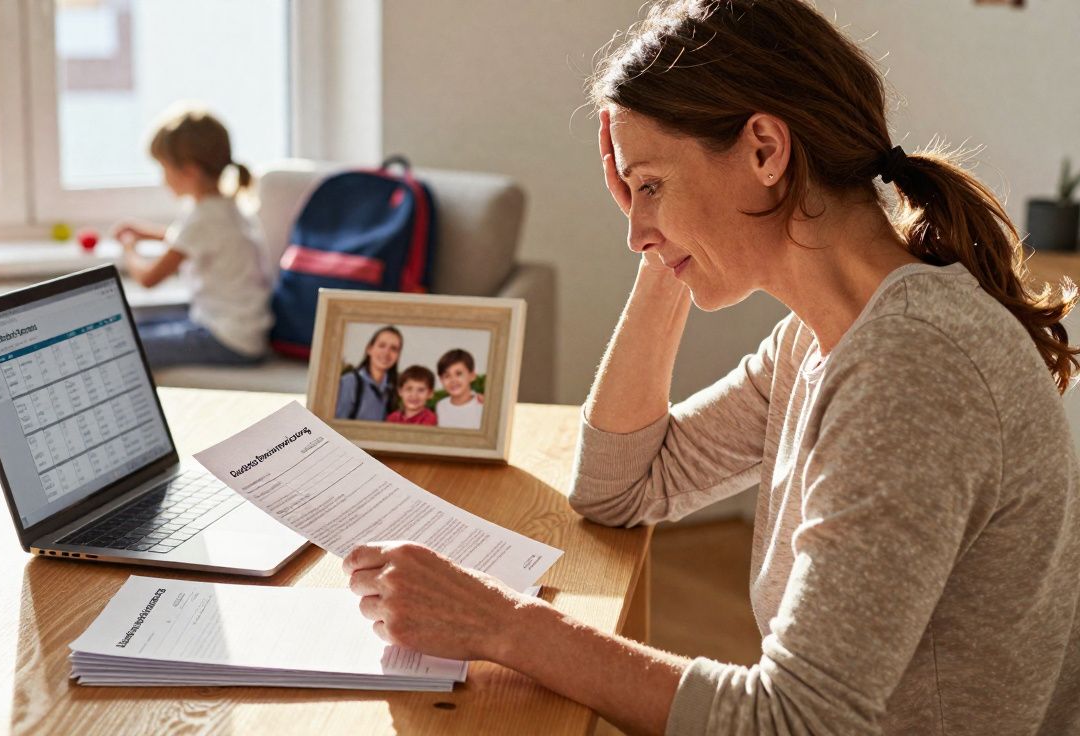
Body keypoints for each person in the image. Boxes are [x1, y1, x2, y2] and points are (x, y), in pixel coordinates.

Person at [341, 1, 1080, 734]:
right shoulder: (820, 341)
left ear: (765, 150)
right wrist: (666, 248)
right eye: (631, 193)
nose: (632, 230)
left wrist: (501, 625)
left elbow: (791, 722)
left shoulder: (912, 374)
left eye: (651, 185)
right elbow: (618, 487)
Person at [116, 103, 273, 368]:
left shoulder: (203, 218)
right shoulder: (226, 206)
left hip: (227, 341)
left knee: (125, 346)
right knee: (135, 324)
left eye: (164, 169)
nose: (162, 179)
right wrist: (147, 234)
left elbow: (148, 278)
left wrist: (128, 247)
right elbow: (188, 241)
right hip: (244, 333)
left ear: (189, 171)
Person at [334, 326, 403, 421]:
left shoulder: (393, 390)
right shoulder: (349, 383)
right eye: (382, 345)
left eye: (394, 349)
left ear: (398, 356)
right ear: (369, 349)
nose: (386, 352)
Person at [434, 349, 484, 429]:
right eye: (447, 376)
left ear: (472, 376)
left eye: (459, 374)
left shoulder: (482, 405)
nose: (453, 380)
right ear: (441, 380)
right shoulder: (441, 406)